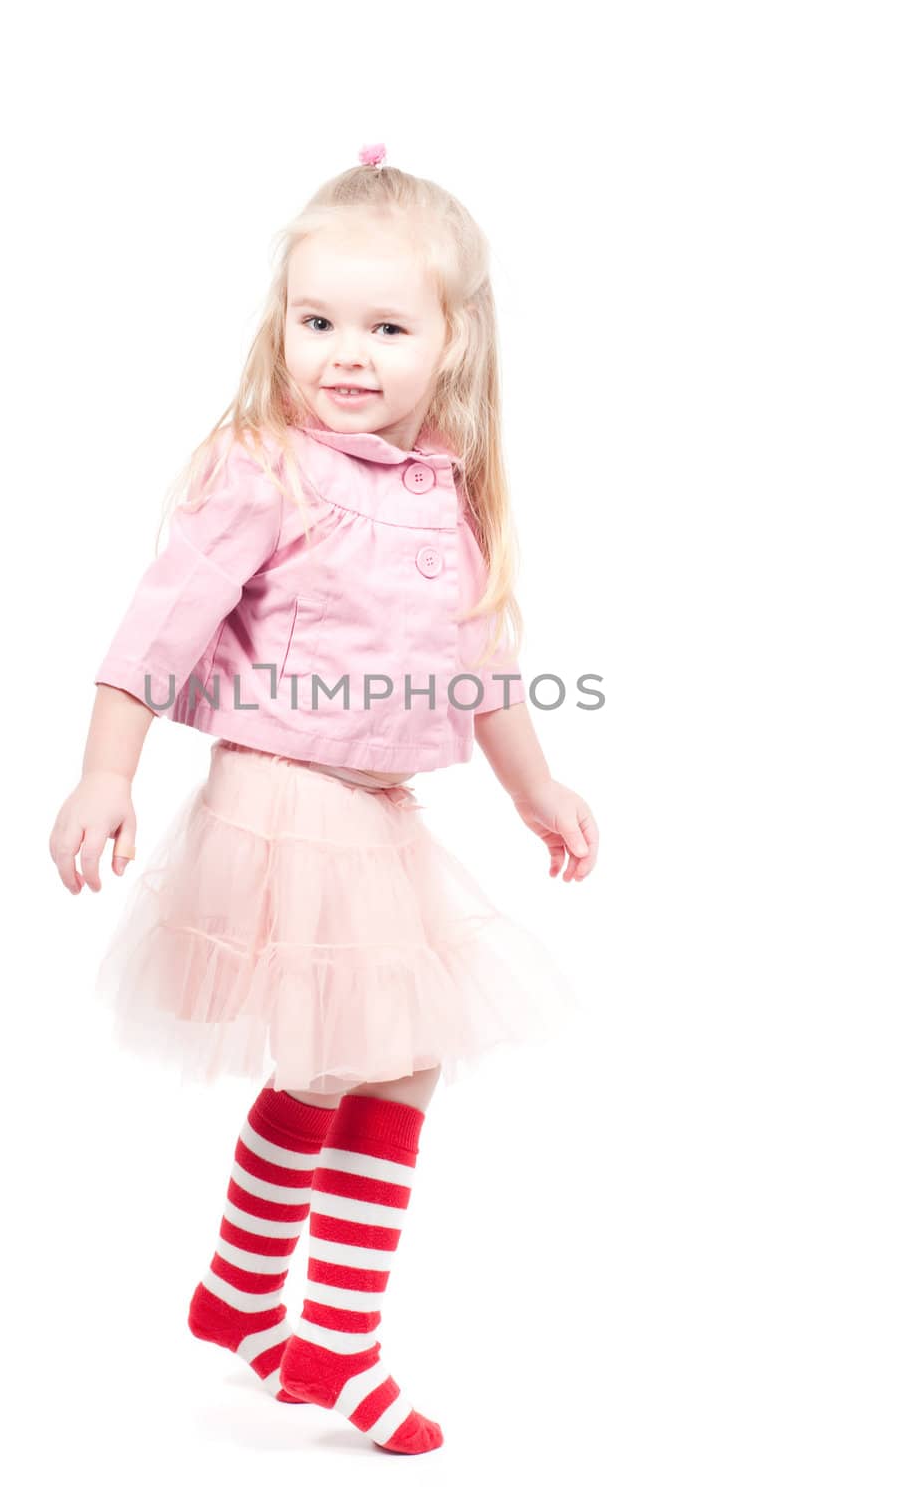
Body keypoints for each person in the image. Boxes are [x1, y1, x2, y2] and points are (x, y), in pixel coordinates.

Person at [49, 144, 600, 1455]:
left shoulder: (442, 489)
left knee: (337, 1058)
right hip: (288, 803)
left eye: (387, 327)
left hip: (374, 812)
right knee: (393, 1057)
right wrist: (105, 771)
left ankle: (241, 1296)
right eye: (318, 323)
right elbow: (157, 627)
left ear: (452, 342)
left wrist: (539, 788)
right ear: (280, 326)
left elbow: (482, 663)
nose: (345, 354)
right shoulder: (266, 467)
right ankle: (337, 1340)